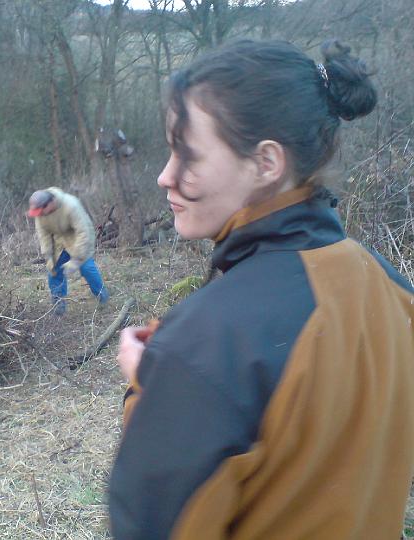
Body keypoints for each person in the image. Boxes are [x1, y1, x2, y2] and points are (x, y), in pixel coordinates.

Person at [109, 39, 414, 540]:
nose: (165, 176)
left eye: (187, 154)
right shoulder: (390, 285)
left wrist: (164, 387)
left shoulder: (206, 343)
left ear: (266, 164)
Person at [28, 187, 109, 315]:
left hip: (80, 237)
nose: (40, 214)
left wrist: (76, 259)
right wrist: (48, 255)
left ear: (50, 203)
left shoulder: (71, 205)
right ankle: (58, 307)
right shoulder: (41, 213)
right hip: (59, 241)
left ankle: (103, 297)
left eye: (41, 210)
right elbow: (43, 234)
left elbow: (84, 233)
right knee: (53, 271)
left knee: (86, 268)